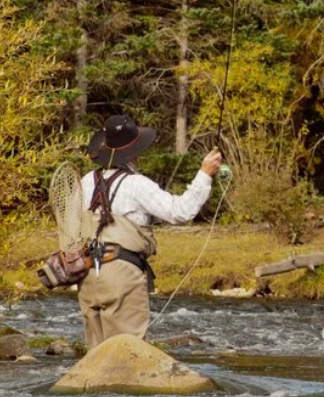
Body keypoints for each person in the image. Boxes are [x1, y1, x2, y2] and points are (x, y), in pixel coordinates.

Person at [78, 114, 222, 349]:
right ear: (135, 152)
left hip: (88, 276)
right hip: (122, 275)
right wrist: (205, 173)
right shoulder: (137, 184)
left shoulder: (86, 181)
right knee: (128, 353)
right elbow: (180, 211)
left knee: (96, 357)